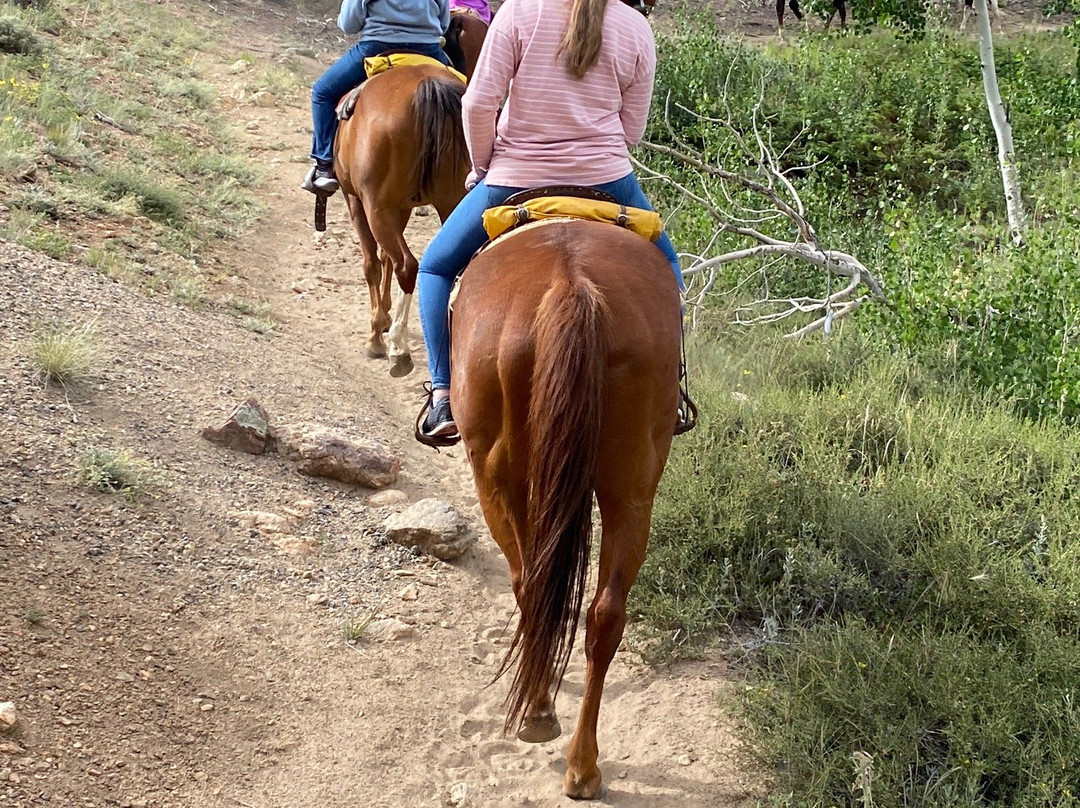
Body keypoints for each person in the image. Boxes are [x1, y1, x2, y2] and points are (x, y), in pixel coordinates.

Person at [416, 0, 684, 443]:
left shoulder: (520, 13)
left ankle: (443, 394)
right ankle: (670, 389)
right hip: (608, 180)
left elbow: (479, 103)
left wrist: (484, 167)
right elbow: (631, 130)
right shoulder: (635, 25)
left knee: (435, 267)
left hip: (515, 179)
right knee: (669, 267)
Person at [303, 0, 453, 196]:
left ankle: (324, 165)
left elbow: (349, 24)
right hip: (429, 50)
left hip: (376, 46)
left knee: (322, 92)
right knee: (463, 94)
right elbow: (443, 24)